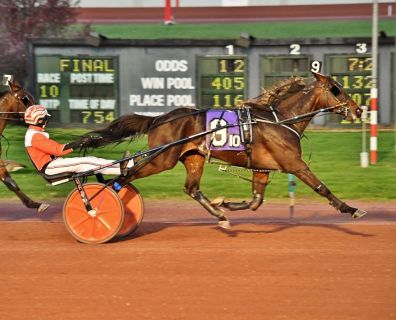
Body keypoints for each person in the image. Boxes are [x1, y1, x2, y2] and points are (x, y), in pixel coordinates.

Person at [24, 105, 133, 177]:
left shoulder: (34, 133)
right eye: (45, 118)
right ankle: (123, 167)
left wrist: (80, 141)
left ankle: (127, 166)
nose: (47, 120)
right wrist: (79, 143)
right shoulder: (35, 136)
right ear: (40, 120)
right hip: (50, 167)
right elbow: (58, 150)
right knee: (87, 161)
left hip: (54, 164)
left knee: (91, 162)